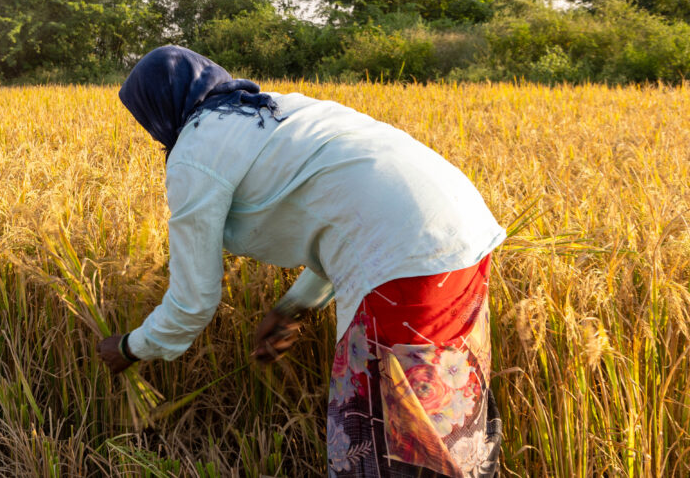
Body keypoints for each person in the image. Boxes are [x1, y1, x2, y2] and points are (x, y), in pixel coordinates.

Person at [97, 46, 504, 478]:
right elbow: (343, 212)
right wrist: (293, 308)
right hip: (460, 232)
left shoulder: (197, 151)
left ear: (155, 107)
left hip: (401, 258)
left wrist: (131, 347)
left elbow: (194, 299)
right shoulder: (273, 109)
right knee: (446, 405)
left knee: (392, 432)